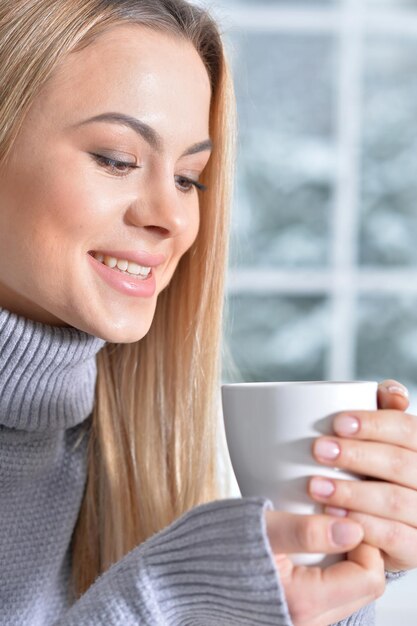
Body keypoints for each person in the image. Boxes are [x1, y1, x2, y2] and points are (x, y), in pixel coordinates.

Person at [0, 1, 415, 624]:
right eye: (116, 158)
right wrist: (177, 595)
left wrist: (330, 576)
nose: (170, 216)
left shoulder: (122, 443)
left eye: (190, 177)